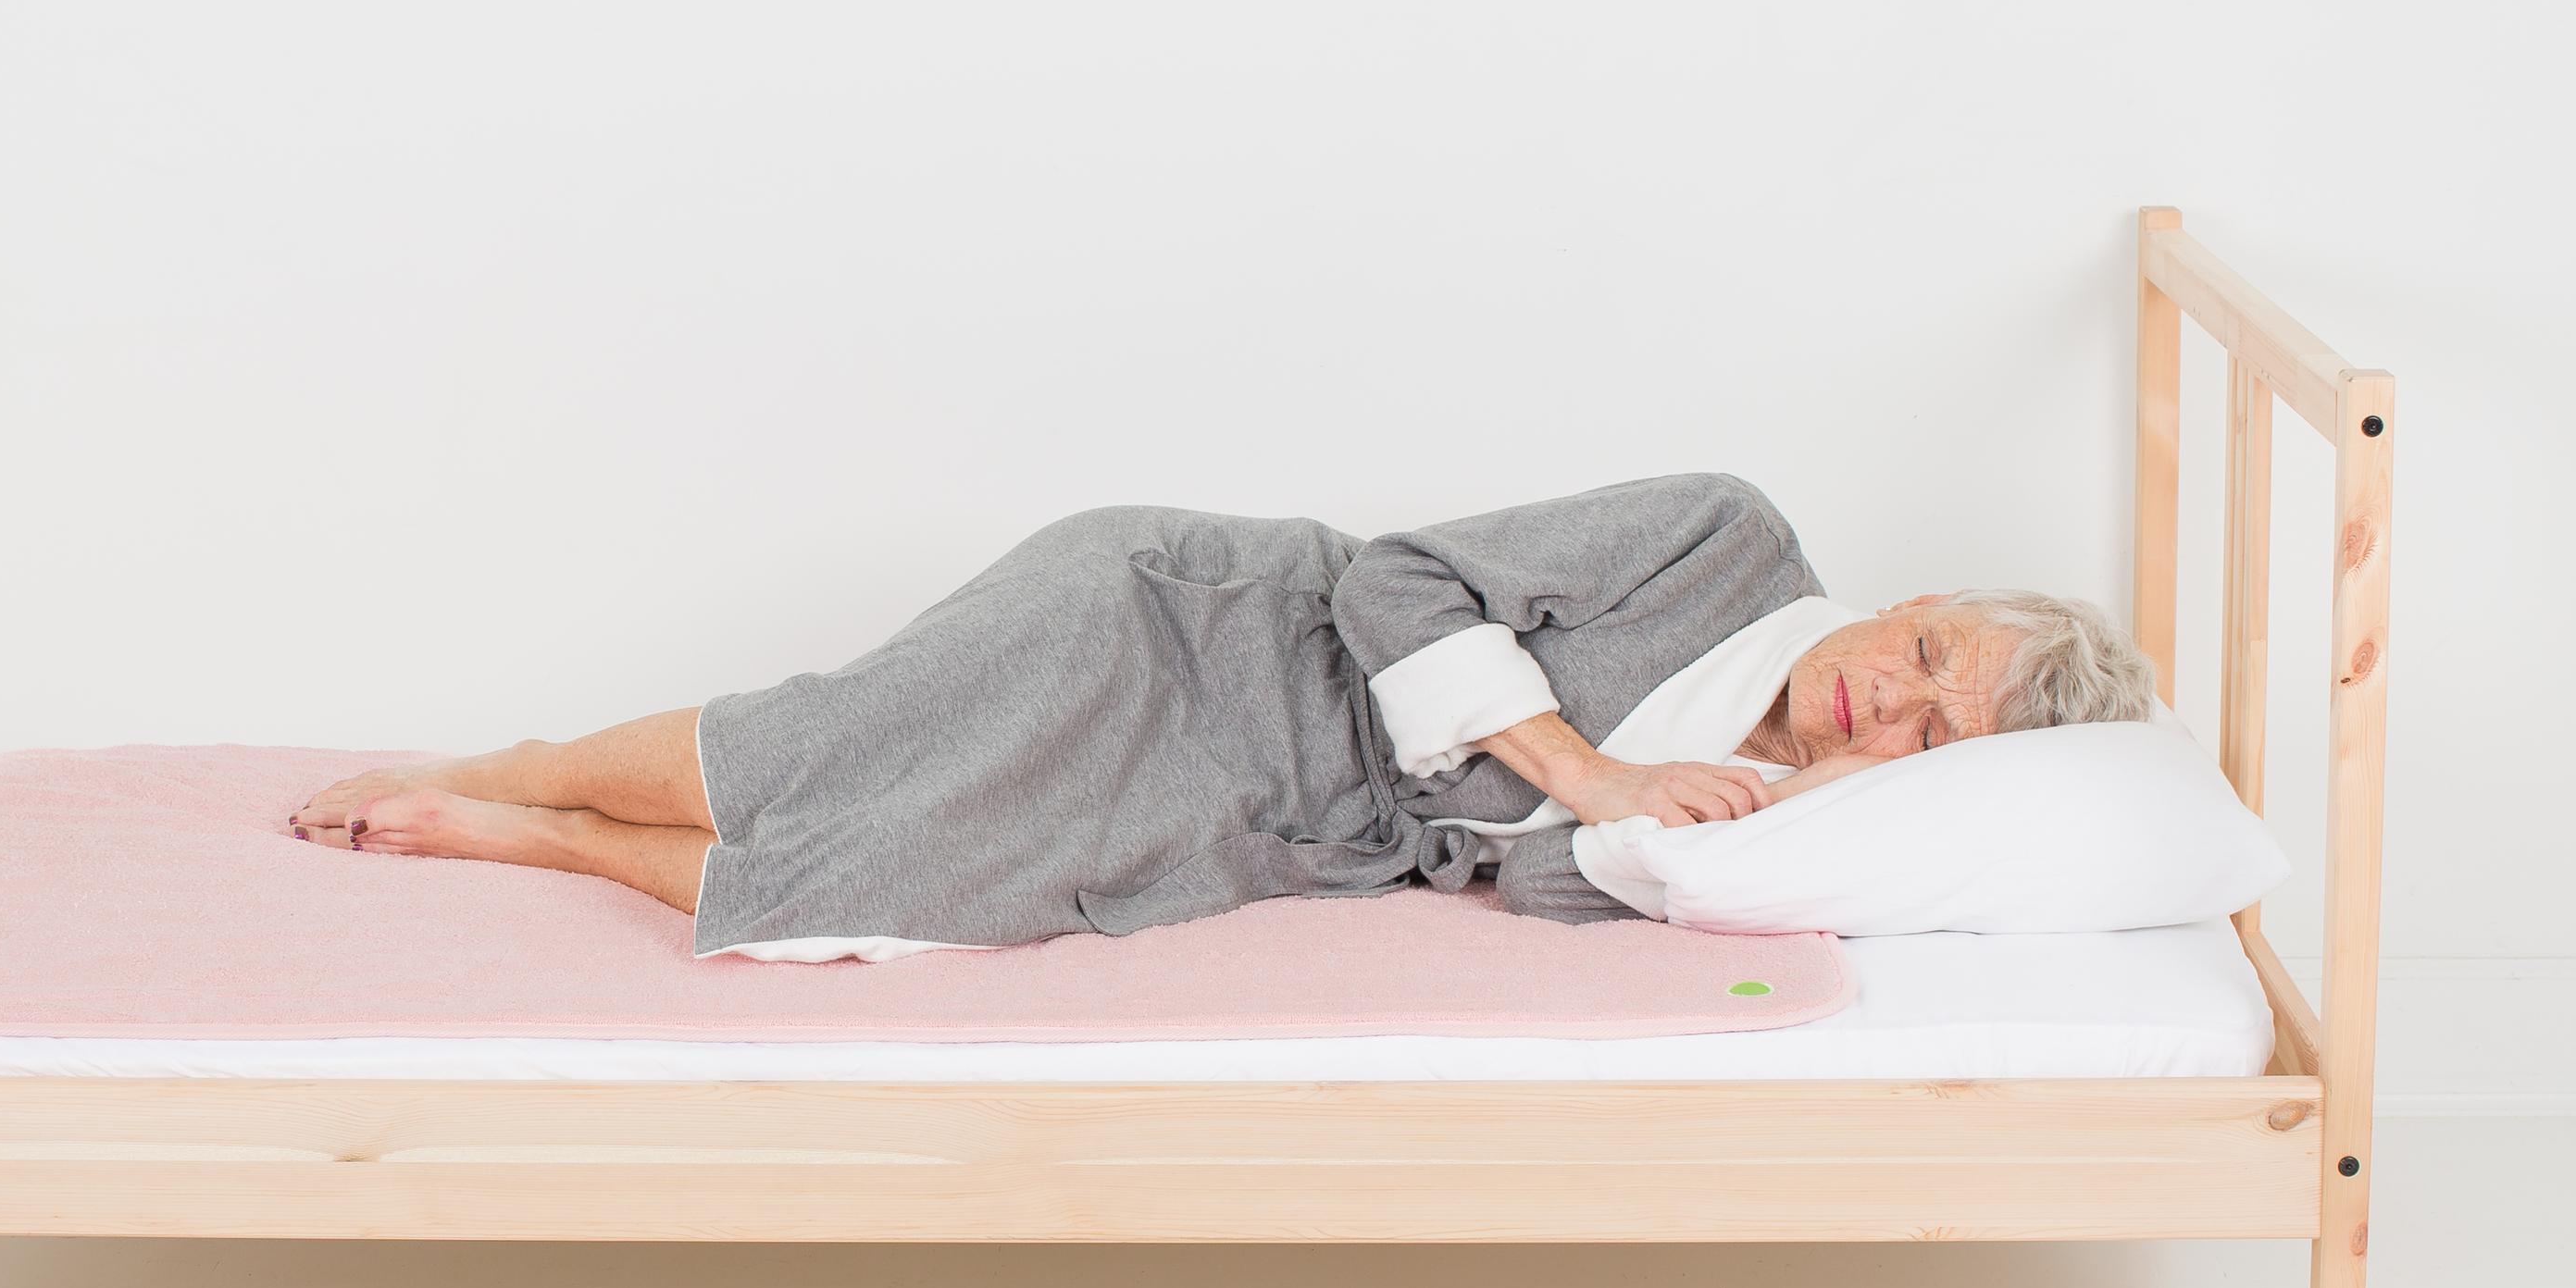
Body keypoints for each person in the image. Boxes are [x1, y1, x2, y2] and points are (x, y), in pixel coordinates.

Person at [285, 475, 2158, 960]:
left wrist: (1654, 835)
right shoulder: (1725, 540)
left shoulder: (1775, 808)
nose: (1887, 693)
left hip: (1257, 821)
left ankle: (539, 840)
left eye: (1931, 727)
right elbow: (1402, 580)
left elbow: (1531, 890)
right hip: (1193, 630)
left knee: (908, 888)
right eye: (1926, 651)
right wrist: (1586, 761)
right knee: (841, 746)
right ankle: (519, 771)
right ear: (1916, 600)